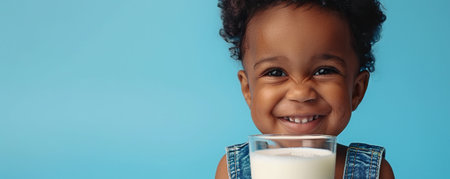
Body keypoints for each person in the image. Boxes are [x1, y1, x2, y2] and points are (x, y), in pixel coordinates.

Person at [215, 0, 394, 178]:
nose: (300, 93)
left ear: (356, 90)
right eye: (276, 72)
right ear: (248, 90)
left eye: (324, 71)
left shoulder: (375, 173)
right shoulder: (231, 172)